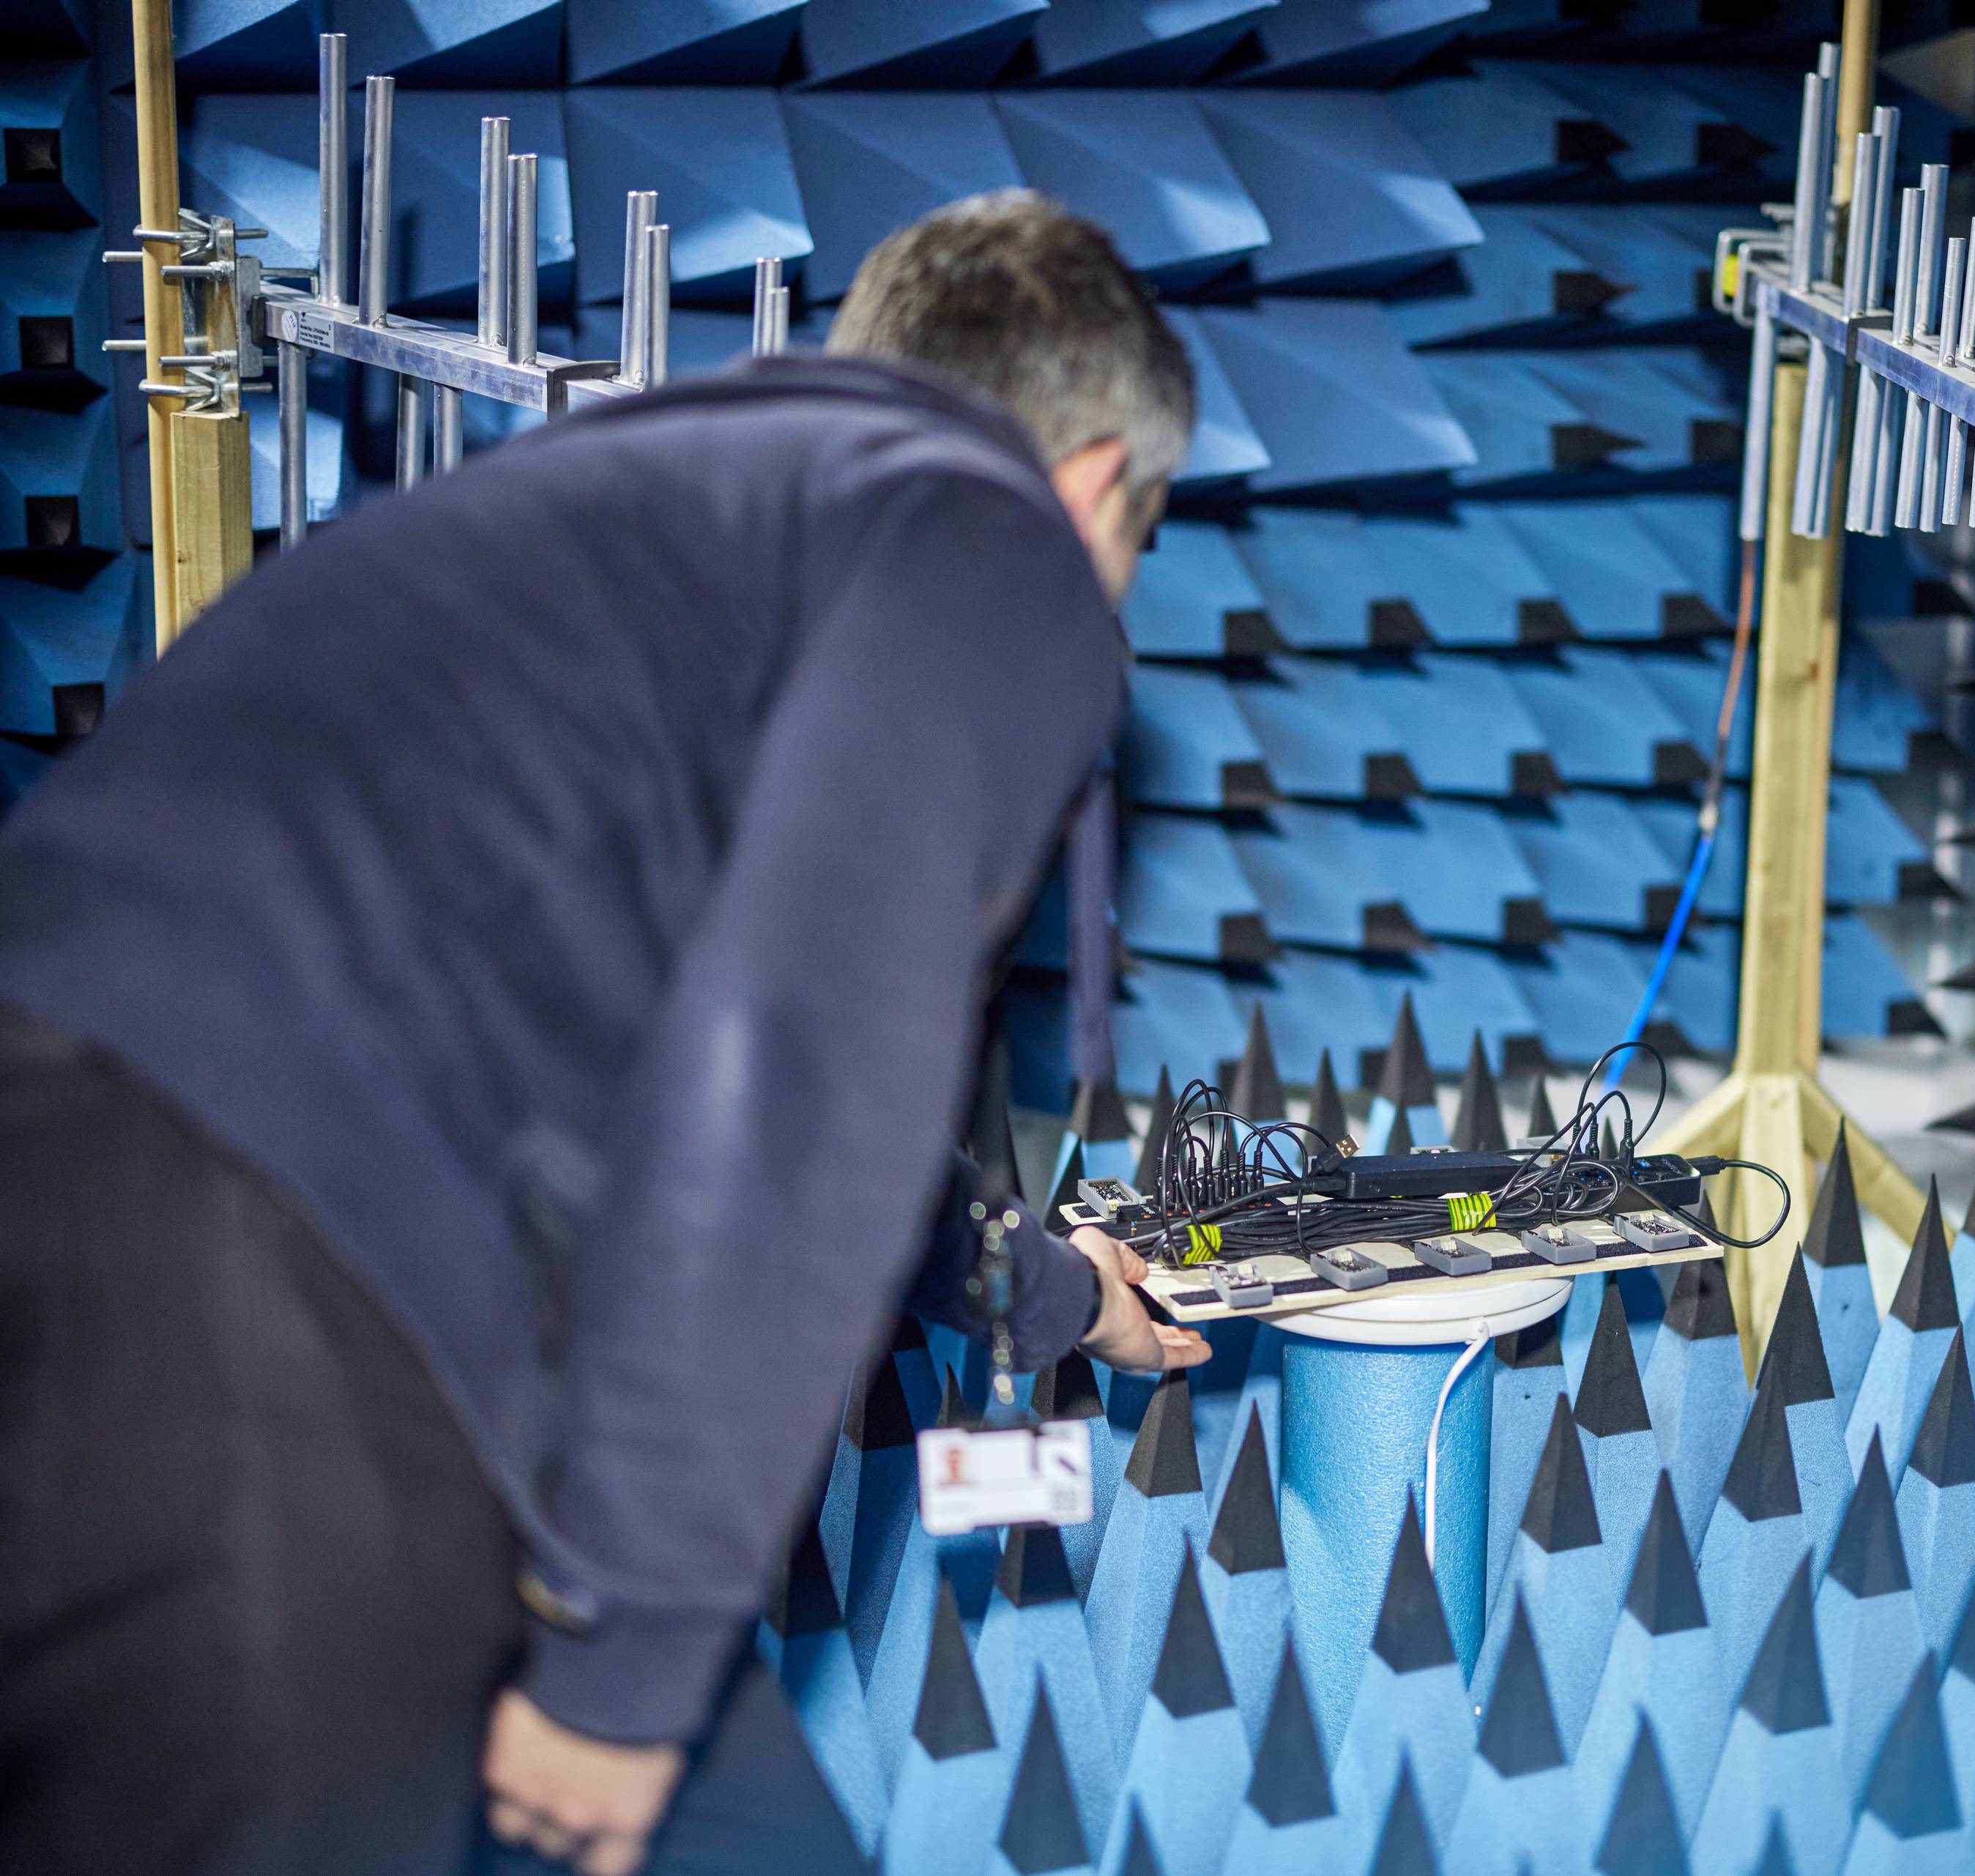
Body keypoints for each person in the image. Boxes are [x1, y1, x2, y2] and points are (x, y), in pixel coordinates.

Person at [0, 189, 1210, 1876]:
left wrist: (1064, 1295)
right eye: (1135, 543)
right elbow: (798, 1075)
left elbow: (775, 1046)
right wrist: (632, 1656)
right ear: (1093, 481)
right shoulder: (986, 540)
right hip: (260, 1259)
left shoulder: (675, 503)